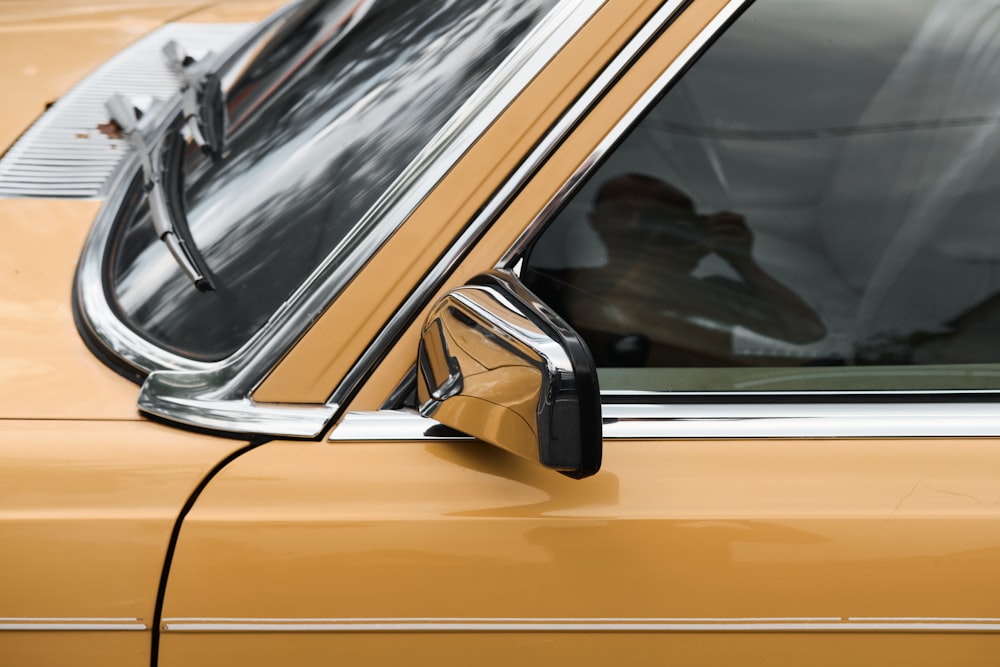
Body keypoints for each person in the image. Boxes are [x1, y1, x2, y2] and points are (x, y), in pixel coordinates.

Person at [563, 173, 826, 367]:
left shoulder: (715, 290)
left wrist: (742, 261)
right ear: (595, 221)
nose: (639, 226)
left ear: (692, 226)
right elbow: (598, 331)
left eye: (663, 220)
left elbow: (806, 333)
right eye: (625, 213)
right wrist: (654, 269)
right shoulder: (560, 283)